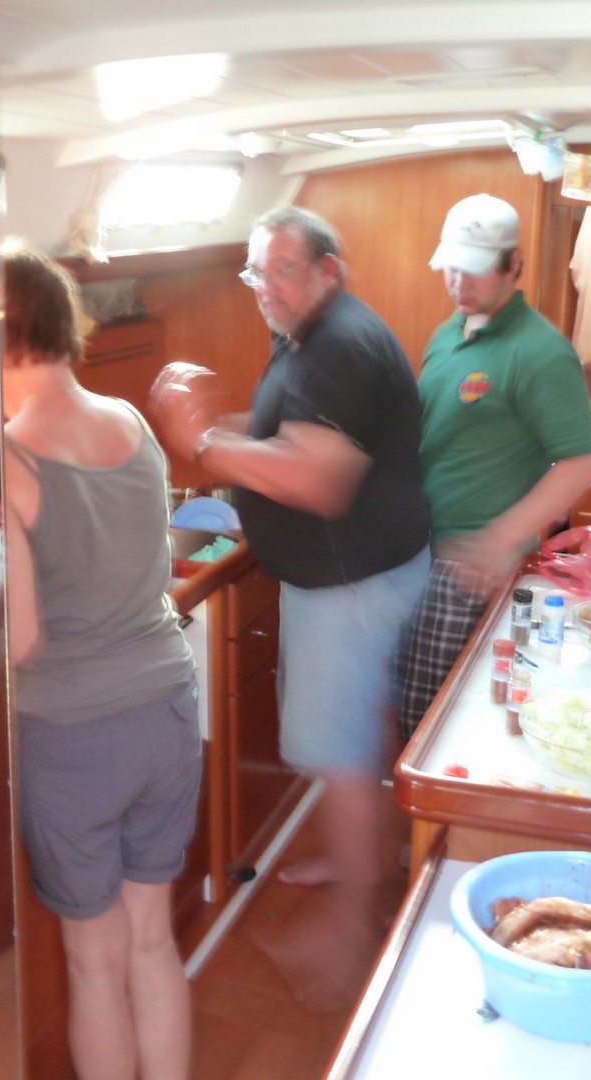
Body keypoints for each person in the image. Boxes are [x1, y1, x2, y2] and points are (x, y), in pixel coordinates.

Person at [151, 206, 430, 1005]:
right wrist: (217, 427)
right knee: (361, 731)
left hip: (351, 585)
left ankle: (349, 936)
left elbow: (316, 478)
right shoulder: (312, 331)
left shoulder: (338, 344)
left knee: (338, 753)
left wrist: (201, 442)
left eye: (283, 270)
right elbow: (289, 429)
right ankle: (361, 863)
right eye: (255, 271)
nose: (265, 288)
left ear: (327, 270)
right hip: (367, 573)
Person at [1, 247, 199, 1080]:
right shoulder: (130, 421)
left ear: (4, 339)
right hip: (167, 709)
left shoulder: (12, 457)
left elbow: (20, 641)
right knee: (151, 940)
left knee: (93, 962)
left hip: (74, 734)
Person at [396, 193, 591, 739]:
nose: (459, 282)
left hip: (469, 565)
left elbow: (579, 463)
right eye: (452, 267)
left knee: (433, 722)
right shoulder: (447, 335)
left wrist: (498, 540)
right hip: (420, 551)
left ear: (514, 264)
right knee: (412, 700)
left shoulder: (541, 353)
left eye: (476, 269)